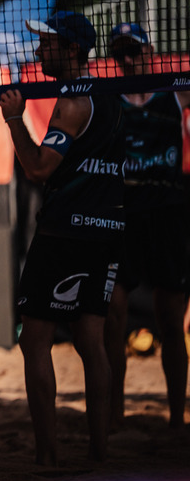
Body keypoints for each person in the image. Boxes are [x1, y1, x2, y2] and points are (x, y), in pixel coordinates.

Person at [0, 10, 124, 465]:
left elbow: (37, 168)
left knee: (34, 341)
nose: (38, 50)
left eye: (47, 43)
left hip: (66, 232)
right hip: (107, 229)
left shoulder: (74, 100)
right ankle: (99, 453)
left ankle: (48, 459)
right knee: (92, 343)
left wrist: (14, 119)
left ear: (72, 49)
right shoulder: (112, 97)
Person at [103, 22, 189, 429]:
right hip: (123, 218)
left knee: (171, 321)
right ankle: (115, 413)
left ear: (149, 51)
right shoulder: (107, 98)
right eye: (120, 53)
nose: (127, 59)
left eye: (133, 51)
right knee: (113, 317)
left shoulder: (176, 91)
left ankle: (176, 417)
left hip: (168, 215)